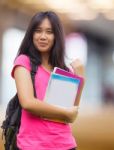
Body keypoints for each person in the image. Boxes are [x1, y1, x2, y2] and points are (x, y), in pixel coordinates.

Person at [11, 11, 85, 150]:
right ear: (31, 34)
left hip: (65, 144)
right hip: (32, 145)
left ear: (56, 36)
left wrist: (80, 78)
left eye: (49, 32)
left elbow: (70, 115)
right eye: (38, 31)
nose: (43, 37)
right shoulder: (24, 62)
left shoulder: (64, 70)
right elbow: (28, 102)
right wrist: (64, 112)